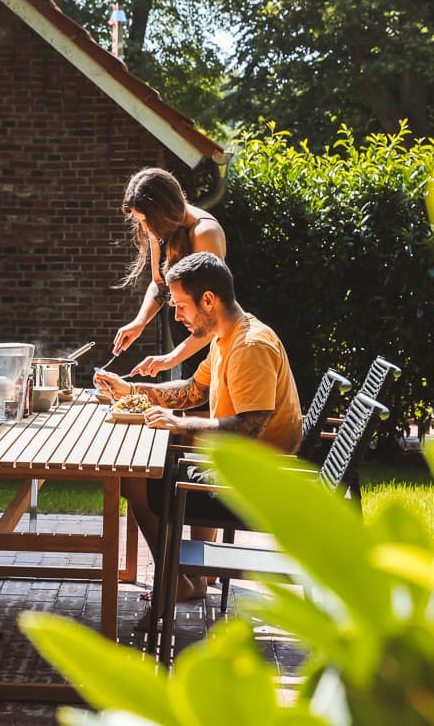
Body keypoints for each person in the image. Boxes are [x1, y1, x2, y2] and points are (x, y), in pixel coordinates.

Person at [95, 252, 302, 621]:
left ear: (208, 300)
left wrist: (181, 424)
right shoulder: (226, 338)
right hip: (239, 470)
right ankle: (184, 579)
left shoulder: (251, 346)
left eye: (180, 305)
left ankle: (175, 581)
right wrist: (132, 390)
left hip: (254, 486)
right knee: (144, 472)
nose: (177, 316)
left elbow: (250, 425)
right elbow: (193, 390)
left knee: (135, 480)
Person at [113, 168, 226, 378]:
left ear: (162, 213)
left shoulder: (204, 233)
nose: (144, 228)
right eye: (139, 221)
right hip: (185, 348)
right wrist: (140, 322)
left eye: (145, 221)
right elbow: (160, 284)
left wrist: (170, 358)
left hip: (212, 353)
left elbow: (216, 315)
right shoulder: (158, 228)